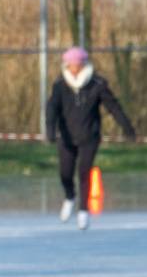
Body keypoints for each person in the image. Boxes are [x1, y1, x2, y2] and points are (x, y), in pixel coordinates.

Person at [46, 46, 136, 230]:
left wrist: (127, 127)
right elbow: (52, 109)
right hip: (67, 137)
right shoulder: (60, 85)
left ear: (83, 64)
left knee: (84, 173)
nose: (73, 68)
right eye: (70, 65)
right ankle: (70, 196)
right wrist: (50, 130)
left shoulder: (97, 84)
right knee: (65, 173)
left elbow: (113, 106)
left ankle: (83, 211)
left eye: (77, 64)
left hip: (89, 136)